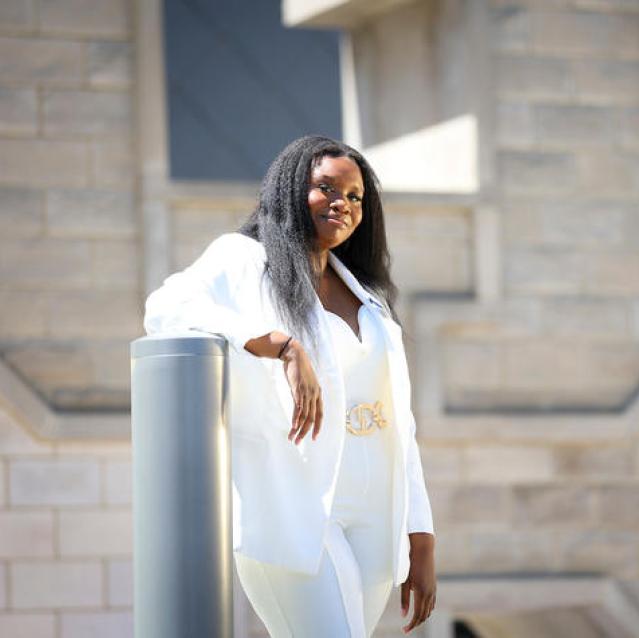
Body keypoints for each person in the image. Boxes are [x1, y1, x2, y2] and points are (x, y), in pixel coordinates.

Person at [143, 135, 437, 637]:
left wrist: (421, 537)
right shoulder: (243, 259)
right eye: (326, 188)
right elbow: (165, 308)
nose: (341, 203)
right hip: (296, 509)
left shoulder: (366, 295)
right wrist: (281, 345)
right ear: (291, 189)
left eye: (354, 196)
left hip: (373, 516)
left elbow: (400, 426)